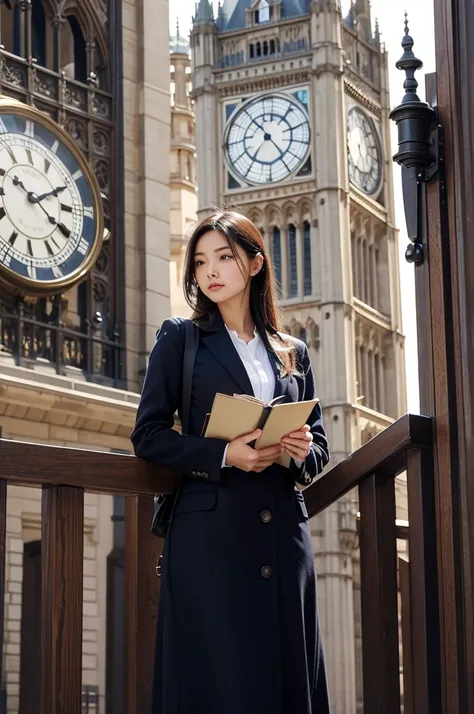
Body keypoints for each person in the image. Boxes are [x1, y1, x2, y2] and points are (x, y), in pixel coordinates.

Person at [131, 209, 331, 714]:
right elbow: (148, 436)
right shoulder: (181, 338)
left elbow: (321, 450)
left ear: (255, 264)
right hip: (210, 541)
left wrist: (301, 449)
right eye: (200, 262)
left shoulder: (293, 351)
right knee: (218, 680)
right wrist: (225, 453)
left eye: (224, 257)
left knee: (287, 680)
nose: (210, 271)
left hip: (285, 538)